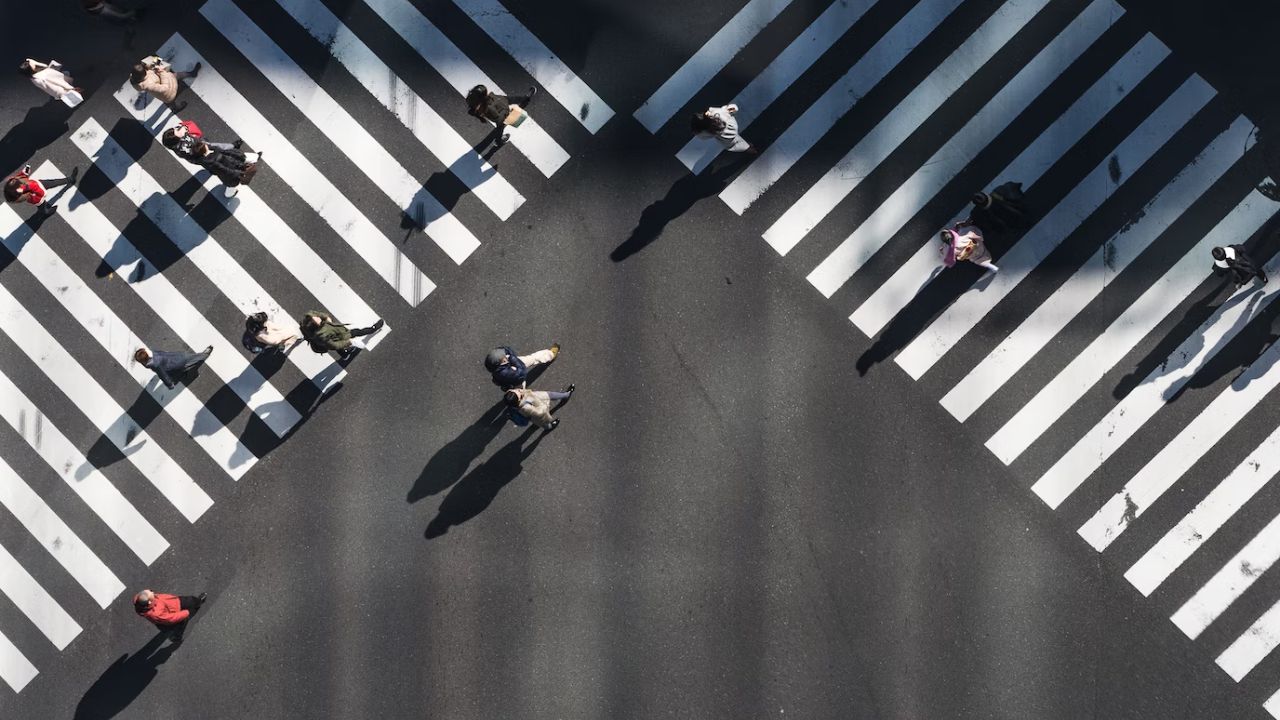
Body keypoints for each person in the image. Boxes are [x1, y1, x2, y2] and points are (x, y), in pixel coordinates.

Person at [465, 84, 537, 147]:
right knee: (500, 128)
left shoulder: (472, 98)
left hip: (499, 101)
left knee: (512, 99)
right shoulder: (489, 109)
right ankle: (498, 141)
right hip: (500, 107)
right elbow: (499, 119)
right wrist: (508, 114)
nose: (488, 92)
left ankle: (525, 98)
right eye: (486, 93)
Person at [299, 311, 383, 361]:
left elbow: (317, 314)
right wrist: (349, 342)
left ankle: (345, 355)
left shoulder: (308, 319)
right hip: (342, 336)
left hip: (335, 334)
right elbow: (334, 345)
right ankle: (373, 329)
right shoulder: (322, 335)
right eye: (316, 319)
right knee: (357, 332)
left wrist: (326, 317)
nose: (317, 317)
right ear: (316, 326)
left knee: (337, 346)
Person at [133, 589, 206, 643]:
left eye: (150, 590)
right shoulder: (155, 614)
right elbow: (171, 619)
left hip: (174, 602)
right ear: (149, 602)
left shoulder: (142, 601)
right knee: (181, 624)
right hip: (173, 611)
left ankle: (197, 602)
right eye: (151, 593)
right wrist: (186, 612)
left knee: (191, 600)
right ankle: (177, 637)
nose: (153, 592)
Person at [130, 55, 201, 111]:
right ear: (143, 74)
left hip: (168, 78)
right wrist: (161, 72)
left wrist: (152, 62)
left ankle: (192, 73)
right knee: (171, 101)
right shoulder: (148, 85)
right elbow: (164, 88)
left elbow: (152, 62)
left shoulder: (135, 77)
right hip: (168, 93)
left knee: (178, 75)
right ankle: (175, 109)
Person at [4, 165, 78, 215]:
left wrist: (25, 171)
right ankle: (47, 212)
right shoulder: (23, 194)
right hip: (37, 197)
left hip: (40, 184)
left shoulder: (16, 183)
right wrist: (25, 188)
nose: (12, 180)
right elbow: (32, 188)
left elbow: (22, 176)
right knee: (42, 207)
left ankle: (70, 179)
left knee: (54, 182)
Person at [161, 120, 241, 164]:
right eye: (177, 131)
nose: (178, 129)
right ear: (176, 140)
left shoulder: (176, 144)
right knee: (219, 150)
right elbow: (196, 147)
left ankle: (231, 149)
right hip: (203, 151)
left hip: (200, 150)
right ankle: (233, 149)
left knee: (217, 152)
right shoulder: (183, 149)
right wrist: (187, 132)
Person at [484, 343, 560, 389]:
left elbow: (506, 349)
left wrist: (511, 358)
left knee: (533, 358)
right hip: (517, 380)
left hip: (513, 364)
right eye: (504, 357)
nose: (505, 355)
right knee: (522, 394)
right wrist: (512, 358)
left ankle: (550, 354)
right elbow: (522, 374)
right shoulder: (506, 373)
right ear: (502, 361)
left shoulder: (492, 363)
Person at [134, 345, 213, 389]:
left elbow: (163, 375)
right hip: (178, 356)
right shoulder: (151, 352)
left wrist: (170, 385)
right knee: (192, 358)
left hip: (176, 365)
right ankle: (204, 354)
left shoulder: (155, 364)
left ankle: (203, 357)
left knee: (188, 366)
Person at [690, 103, 756, 155]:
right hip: (732, 127)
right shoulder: (717, 113)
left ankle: (749, 149)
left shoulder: (705, 131)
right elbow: (734, 108)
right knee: (736, 137)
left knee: (736, 145)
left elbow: (703, 137)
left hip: (726, 138)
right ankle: (749, 147)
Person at [505, 384, 574, 430]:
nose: (519, 390)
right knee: (543, 423)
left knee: (551, 394)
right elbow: (540, 413)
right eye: (518, 392)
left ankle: (566, 395)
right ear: (519, 399)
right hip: (539, 404)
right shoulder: (526, 408)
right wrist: (545, 404)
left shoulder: (513, 401)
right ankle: (549, 427)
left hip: (534, 399)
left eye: (515, 390)